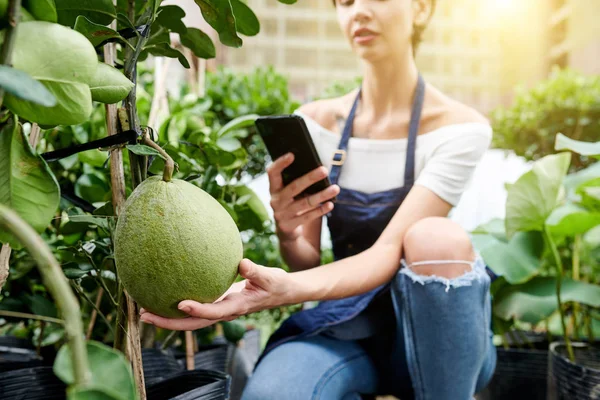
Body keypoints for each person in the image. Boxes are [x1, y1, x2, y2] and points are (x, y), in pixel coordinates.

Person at [140, 0, 498, 398]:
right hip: (345, 325)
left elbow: (387, 253)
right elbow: (306, 260)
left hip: (438, 334)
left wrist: (280, 291)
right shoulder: (316, 123)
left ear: (423, 9)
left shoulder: (461, 130)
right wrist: (289, 233)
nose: (358, 11)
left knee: (435, 238)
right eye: (344, 1)